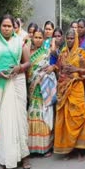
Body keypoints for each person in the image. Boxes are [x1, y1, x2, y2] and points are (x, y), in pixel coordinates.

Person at [0, 14, 31, 169]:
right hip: (1, 83)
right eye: (4, 26)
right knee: (5, 120)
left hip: (17, 81)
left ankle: (24, 157)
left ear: (14, 27)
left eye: (9, 26)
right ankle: (5, 159)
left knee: (20, 118)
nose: (6, 28)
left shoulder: (20, 42)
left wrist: (19, 68)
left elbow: (28, 62)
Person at [53, 29, 85, 160]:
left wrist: (76, 70)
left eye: (72, 38)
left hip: (77, 89)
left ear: (75, 39)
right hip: (64, 90)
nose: (70, 40)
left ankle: (80, 150)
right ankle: (69, 149)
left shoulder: (81, 54)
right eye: (68, 38)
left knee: (78, 118)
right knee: (66, 119)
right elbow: (59, 70)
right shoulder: (63, 54)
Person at [27, 28, 57, 157]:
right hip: (32, 89)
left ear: (44, 39)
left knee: (44, 116)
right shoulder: (27, 52)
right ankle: (32, 147)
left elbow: (54, 66)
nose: (38, 39)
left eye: (40, 37)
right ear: (32, 38)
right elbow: (27, 71)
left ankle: (45, 148)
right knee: (32, 115)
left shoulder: (46, 52)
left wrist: (45, 73)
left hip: (43, 88)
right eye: (36, 37)